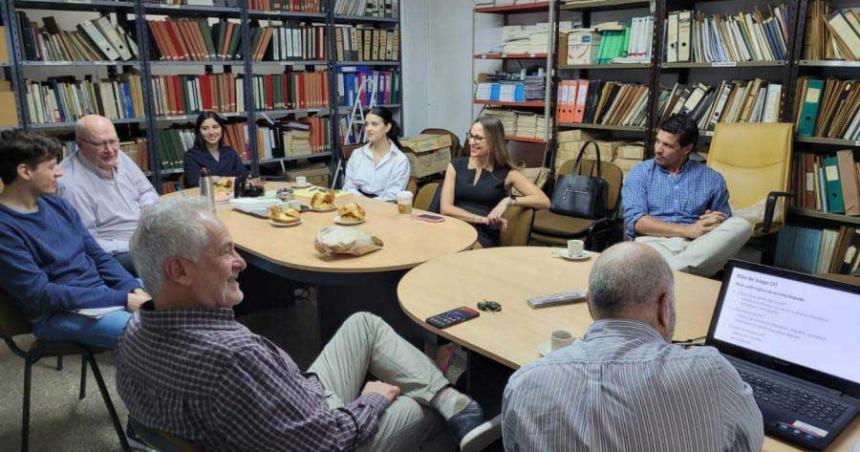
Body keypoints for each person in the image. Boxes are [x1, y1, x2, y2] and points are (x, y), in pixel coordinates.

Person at [117, 197, 500, 452]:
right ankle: (452, 414)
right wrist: (372, 400)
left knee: (363, 324)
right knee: (418, 408)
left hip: (286, 413)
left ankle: (456, 404)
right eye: (224, 251)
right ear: (179, 271)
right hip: (320, 432)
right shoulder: (235, 359)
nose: (241, 263)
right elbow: (327, 441)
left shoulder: (134, 332)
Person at [501, 242, 764, 452]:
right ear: (664, 306)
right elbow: (748, 444)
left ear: (590, 305)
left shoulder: (525, 385)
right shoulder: (713, 374)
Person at [0, 129, 150, 349]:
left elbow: (97, 255)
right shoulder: (5, 229)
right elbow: (42, 295)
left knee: (184, 297)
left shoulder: (58, 205)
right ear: (25, 171)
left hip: (101, 293)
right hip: (57, 314)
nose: (59, 173)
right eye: (51, 167)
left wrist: (130, 287)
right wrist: (123, 298)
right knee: (156, 334)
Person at [621, 113, 752, 276]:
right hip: (653, 242)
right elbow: (636, 222)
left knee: (741, 225)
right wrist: (687, 230)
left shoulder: (712, 178)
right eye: (657, 141)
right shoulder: (640, 172)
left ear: (687, 149)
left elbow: (723, 223)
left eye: (667, 145)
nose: (658, 149)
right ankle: (681, 271)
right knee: (648, 254)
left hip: (698, 246)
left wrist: (715, 220)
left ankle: (668, 273)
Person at [58, 114, 159, 273]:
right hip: (116, 252)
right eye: (100, 144)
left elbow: (147, 191)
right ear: (80, 145)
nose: (110, 150)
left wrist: (146, 210)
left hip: (146, 232)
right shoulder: (70, 184)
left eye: (113, 141)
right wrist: (137, 243)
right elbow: (88, 243)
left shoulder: (120, 157)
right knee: (169, 262)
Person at [439, 115, 550, 248]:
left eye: (478, 138)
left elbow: (544, 201)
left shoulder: (508, 174)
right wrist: (481, 219)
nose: (471, 142)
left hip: (482, 234)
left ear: (493, 141)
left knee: (459, 249)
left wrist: (508, 201)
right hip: (453, 226)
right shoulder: (455, 165)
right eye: (471, 136)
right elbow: (445, 209)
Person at [343, 107, 411, 201]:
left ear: (387, 127)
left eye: (374, 124)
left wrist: (368, 203)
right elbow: (348, 186)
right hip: (357, 202)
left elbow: (392, 195)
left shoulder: (400, 160)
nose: (368, 129)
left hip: (385, 206)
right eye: (366, 124)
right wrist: (361, 200)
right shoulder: (357, 154)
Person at [183, 111, 249, 188]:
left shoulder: (230, 152)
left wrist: (215, 179)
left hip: (231, 194)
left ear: (222, 129)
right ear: (199, 131)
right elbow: (194, 182)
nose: (211, 132)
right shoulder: (192, 156)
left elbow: (243, 176)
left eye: (215, 127)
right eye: (205, 128)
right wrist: (227, 180)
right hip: (207, 195)